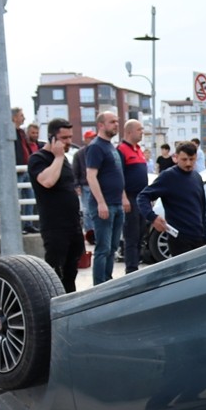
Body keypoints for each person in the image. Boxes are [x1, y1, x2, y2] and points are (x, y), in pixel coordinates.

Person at [28, 118, 84, 293]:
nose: (69, 142)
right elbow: (48, 181)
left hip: (72, 224)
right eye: (64, 138)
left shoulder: (64, 160)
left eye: (70, 137)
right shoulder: (39, 159)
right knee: (55, 272)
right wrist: (58, 157)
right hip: (55, 226)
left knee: (71, 272)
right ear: (52, 138)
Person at [136, 141, 206, 257]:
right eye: (184, 159)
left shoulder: (197, 177)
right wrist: (152, 217)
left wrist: (205, 234)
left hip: (199, 237)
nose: (188, 163)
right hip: (179, 239)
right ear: (176, 158)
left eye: (192, 159)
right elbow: (143, 197)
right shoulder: (168, 177)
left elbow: (202, 208)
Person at [85, 111, 128, 284]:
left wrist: (123, 197)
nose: (116, 124)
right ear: (101, 125)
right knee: (103, 248)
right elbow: (91, 176)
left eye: (117, 122)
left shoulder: (111, 147)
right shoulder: (96, 147)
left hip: (116, 204)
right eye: (112, 122)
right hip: (104, 205)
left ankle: (108, 281)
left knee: (113, 248)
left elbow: (118, 175)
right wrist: (101, 203)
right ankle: (99, 286)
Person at [118, 119, 149, 274]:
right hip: (130, 197)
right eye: (139, 129)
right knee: (131, 235)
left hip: (142, 197)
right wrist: (123, 197)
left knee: (141, 234)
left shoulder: (138, 149)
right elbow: (119, 176)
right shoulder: (122, 150)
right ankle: (131, 269)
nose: (142, 132)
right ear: (129, 131)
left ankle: (137, 263)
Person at [12, 107, 38, 233]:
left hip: (25, 168)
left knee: (30, 196)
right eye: (21, 115)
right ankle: (18, 226)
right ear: (14, 117)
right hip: (16, 169)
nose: (24, 118)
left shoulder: (21, 132)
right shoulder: (10, 132)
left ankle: (28, 224)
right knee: (16, 198)